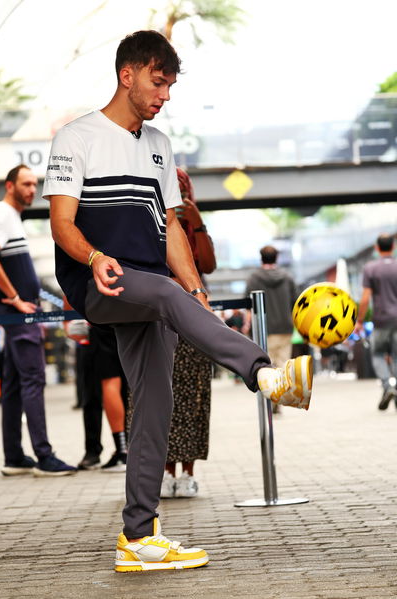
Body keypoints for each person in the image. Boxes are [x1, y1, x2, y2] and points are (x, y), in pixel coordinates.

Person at [43, 30, 313, 571]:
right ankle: (264, 374)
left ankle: (138, 539)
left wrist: (195, 290)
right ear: (128, 74)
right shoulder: (77, 137)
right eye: (158, 82)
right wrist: (95, 258)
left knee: (157, 404)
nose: (165, 94)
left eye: (169, 84)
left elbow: (171, 231)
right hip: (100, 282)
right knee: (163, 292)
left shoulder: (161, 146)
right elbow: (61, 224)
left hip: (154, 291)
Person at [0, 164, 76, 477]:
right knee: (33, 379)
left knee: (16, 383)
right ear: (10, 185)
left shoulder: (12, 216)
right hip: (19, 316)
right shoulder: (2, 213)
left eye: (34, 184)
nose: (32, 190)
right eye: (26, 184)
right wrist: (16, 299)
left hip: (19, 317)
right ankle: (44, 456)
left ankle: (14, 456)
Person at [160, 167, 216, 498]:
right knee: (160, 393)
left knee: (195, 394)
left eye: (183, 189)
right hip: (161, 315)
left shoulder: (193, 223)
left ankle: (189, 471)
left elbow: (207, 265)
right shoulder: (152, 219)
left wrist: (197, 221)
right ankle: (165, 470)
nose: (179, 195)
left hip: (195, 318)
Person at [64, 301, 128, 472]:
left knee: (107, 385)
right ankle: (115, 449)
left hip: (98, 321)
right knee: (115, 387)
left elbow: (68, 286)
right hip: (116, 320)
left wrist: (67, 322)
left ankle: (122, 451)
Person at [245, 245, 298, 412]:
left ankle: (271, 399)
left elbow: (248, 305)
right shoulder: (287, 277)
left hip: (263, 329)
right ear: (277, 258)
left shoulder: (254, 278)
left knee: (267, 365)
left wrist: (247, 325)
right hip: (285, 327)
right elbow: (295, 304)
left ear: (261, 258)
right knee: (282, 365)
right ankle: (279, 400)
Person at [355, 233, 397, 410]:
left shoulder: (370, 268)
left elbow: (365, 298)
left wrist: (360, 321)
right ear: (393, 247)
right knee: (396, 356)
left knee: (378, 354)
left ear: (377, 248)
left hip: (380, 320)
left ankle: (388, 386)